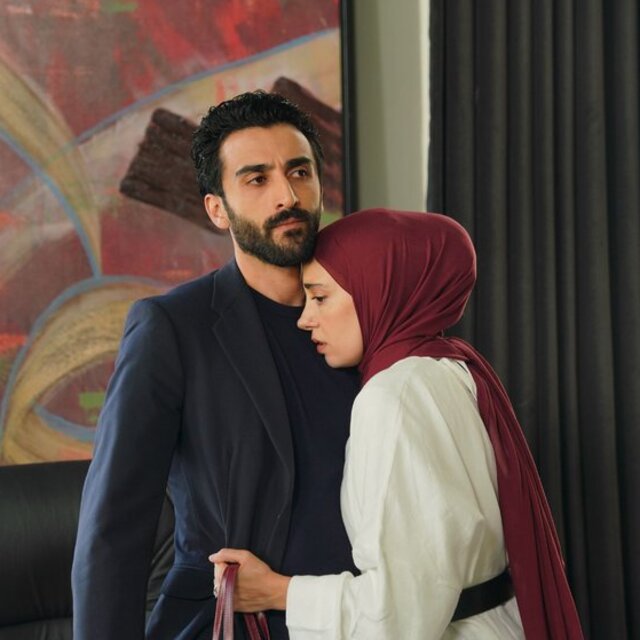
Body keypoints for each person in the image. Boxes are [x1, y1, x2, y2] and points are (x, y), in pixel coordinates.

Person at [212, 209, 585, 639]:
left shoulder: (393, 396)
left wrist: (278, 592)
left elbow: (399, 614)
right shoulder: (451, 370)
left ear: (377, 291)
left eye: (320, 297)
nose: (305, 318)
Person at [71, 91, 360, 639]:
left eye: (299, 172)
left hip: (355, 617)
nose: (286, 195)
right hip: (228, 622)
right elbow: (114, 528)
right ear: (217, 209)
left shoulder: (367, 313)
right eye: (257, 179)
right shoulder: (170, 328)